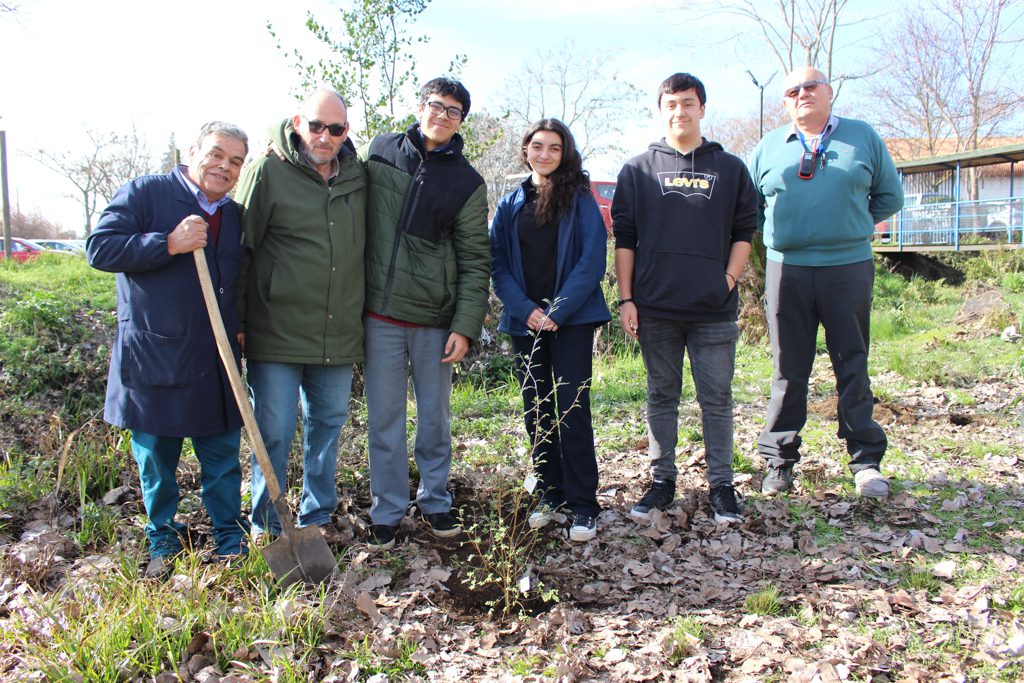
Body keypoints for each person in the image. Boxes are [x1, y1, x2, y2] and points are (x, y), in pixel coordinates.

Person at [86, 122, 250, 579]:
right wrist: (168, 243)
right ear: (192, 151)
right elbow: (100, 249)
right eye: (216, 154)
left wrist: (241, 327)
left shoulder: (233, 215)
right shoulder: (146, 194)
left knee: (221, 456)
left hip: (215, 355)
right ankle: (163, 537)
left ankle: (229, 537)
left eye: (235, 161)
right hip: (156, 354)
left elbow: (236, 280)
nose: (224, 166)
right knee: (157, 461)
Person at [748, 66, 903, 498]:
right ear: (785, 102)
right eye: (792, 91)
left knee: (852, 362)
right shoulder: (767, 147)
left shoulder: (862, 136)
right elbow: (751, 207)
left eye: (810, 86)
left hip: (847, 267)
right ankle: (779, 462)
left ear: (829, 92)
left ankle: (866, 462)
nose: (802, 94)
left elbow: (890, 196)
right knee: (788, 368)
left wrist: (850, 226)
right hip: (787, 270)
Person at [612, 73, 758, 525]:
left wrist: (728, 280)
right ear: (661, 110)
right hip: (656, 307)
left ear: (702, 109)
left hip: (713, 310)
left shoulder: (730, 168)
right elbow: (625, 238)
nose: (680, 111)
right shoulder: (638, 169)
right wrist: (626, 298)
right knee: (662, 395)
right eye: (671, 104)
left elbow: (744, 231)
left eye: (688, 103)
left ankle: (722, 487)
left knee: (717, 399)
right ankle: (662, 482)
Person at [362, 77, 490, 550]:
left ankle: (436, 500)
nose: (442, 115)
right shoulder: (381, 152)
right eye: (436, 105)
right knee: (384, 420)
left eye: (453, 111)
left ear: (461, 121)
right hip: (379, 315)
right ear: (420, 106)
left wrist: (465, 325)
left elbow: (476, 259)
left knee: (434, 419)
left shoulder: (468, 182)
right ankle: (387, 510)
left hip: (435, 321)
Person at [234, 89, 366, 541]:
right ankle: (266, 523)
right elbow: (240, 250)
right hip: (277, 332)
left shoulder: (357, 176)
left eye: (336, 128)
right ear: (297, 123)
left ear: (346, 131)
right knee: (273, 432)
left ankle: (316, 517)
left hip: (337, 332)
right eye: (316, 126)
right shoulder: (267, 170)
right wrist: (239, 322)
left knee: (326, 428)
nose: (325, 136)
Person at [490, 119, 611, 542]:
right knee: (537, 409)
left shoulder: (580, 199)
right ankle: (550, 492)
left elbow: (593, 261)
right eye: (537, 146)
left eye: (554, 148)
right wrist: (526, 310)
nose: (545, 154)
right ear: (526, 150)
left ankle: (584, 504)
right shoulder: (510, 204)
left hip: (571, 321)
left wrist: (557, 311)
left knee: (572, 409)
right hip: (525, 325)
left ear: (565, 153)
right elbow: (498, 265)